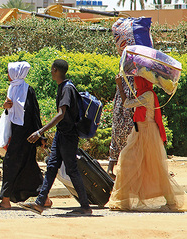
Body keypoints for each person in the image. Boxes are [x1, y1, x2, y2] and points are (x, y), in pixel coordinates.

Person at [19, 59, 92, 215]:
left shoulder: (67, 89)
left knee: (71, 169)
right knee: (52, 166)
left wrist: (40, 131)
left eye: (51, 69)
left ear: (55, 70)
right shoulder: (63, 87)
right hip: (62, 134)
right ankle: (39, 203)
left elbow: (61, 114)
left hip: (68, 135)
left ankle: (85, 207)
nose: (51, 72)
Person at [108, 75, 185, 211]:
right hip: (140, 132)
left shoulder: (148, 95)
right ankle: (123, 201)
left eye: (137, 82)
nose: (135, 84)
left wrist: (120, 85)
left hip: (147, 133)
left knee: (155, 168)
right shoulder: (143, 93)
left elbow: (127, 103)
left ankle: (171, 202)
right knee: (128, 162)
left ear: (142, 82)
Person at [0, 61, 49, 210]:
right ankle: (45, 199)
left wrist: (40, 136)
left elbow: (35, 114)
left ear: (16, 73)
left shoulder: (28, 90)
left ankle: (5, 201)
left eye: (10, 72)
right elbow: (11, 113)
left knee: (10, 164)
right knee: (29, 166)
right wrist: (6, 107)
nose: (8, 75)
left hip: (26, 136)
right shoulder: (12, 88)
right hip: (16, 133)